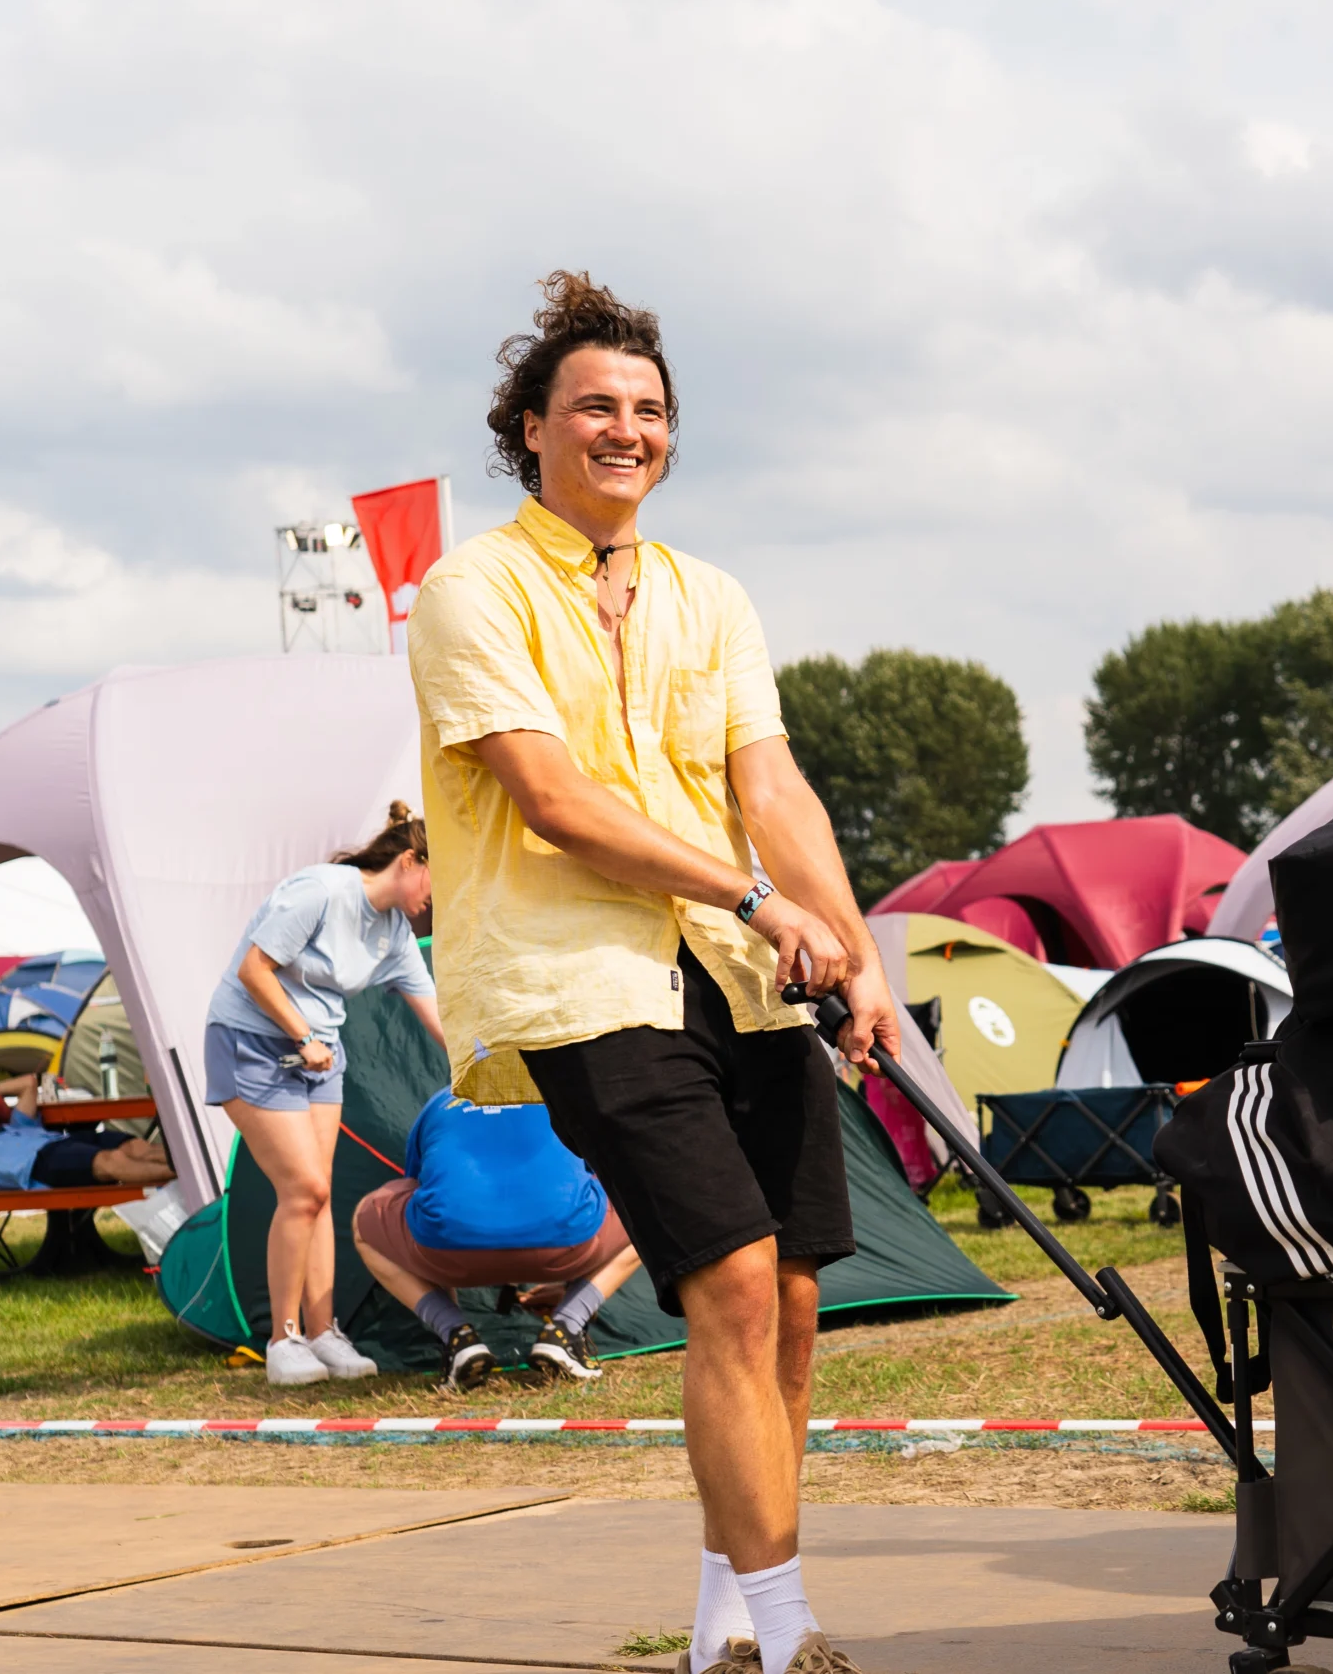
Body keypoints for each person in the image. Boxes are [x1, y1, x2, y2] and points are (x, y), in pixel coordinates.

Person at [406, 270, 897, 1674]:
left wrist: (851, 949)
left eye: (651, 409)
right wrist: (751, 890)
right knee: (731, 1280)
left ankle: (726, 1612)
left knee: (794, 1293)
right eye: (597, 406)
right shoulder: (470, 587)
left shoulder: (712, 595)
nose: (628, 428)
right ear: (531, 427)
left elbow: (775, 785)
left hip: (741, 973)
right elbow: (553, 800)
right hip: (581, 975)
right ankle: (794, 1633)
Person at [205, 803, 443, 1388]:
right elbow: (254, 971)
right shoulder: (320, 890)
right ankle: (283, 1340)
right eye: (441, 878)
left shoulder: (393, 934)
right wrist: (304, 1034)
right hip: (250, 1045)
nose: (440, 897)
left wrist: (493, 1064)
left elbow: (435, 1011)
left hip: (319, 1055)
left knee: (320, 1196)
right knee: (303, 1189)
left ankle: (322, 1332)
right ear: (411, 861)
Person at [351, 1091, 645, 1390]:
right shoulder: (559, 1091)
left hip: (445, 1252)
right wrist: (571, 1280)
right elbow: (586, 1179)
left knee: (368, 1222)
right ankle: (568, 1325)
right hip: (568, 1248)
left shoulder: (442, 1100)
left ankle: (456, 1336)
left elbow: (421, 1185)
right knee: (646, 1210)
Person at [0, 1072, 175, 1191]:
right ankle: (188, 1178)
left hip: (64, 1141)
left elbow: (28, 1083)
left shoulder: (13, 1126)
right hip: (39, 1163)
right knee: (112, 1162)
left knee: (137, 1148)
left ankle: (201, 1165)